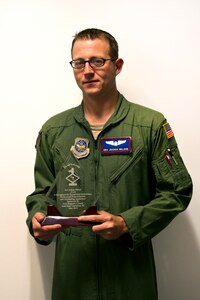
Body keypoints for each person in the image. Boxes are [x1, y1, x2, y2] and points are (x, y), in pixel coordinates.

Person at [26, 28, 193, 300]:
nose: (87, 70)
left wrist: (127, 224)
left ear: (117, 66)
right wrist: (37, 221)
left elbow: (177, 191)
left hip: (130, 281)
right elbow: (41, 194)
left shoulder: (149, 125)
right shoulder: (54, 130)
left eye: (97, 61)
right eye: (79, 63)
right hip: (73, 281)